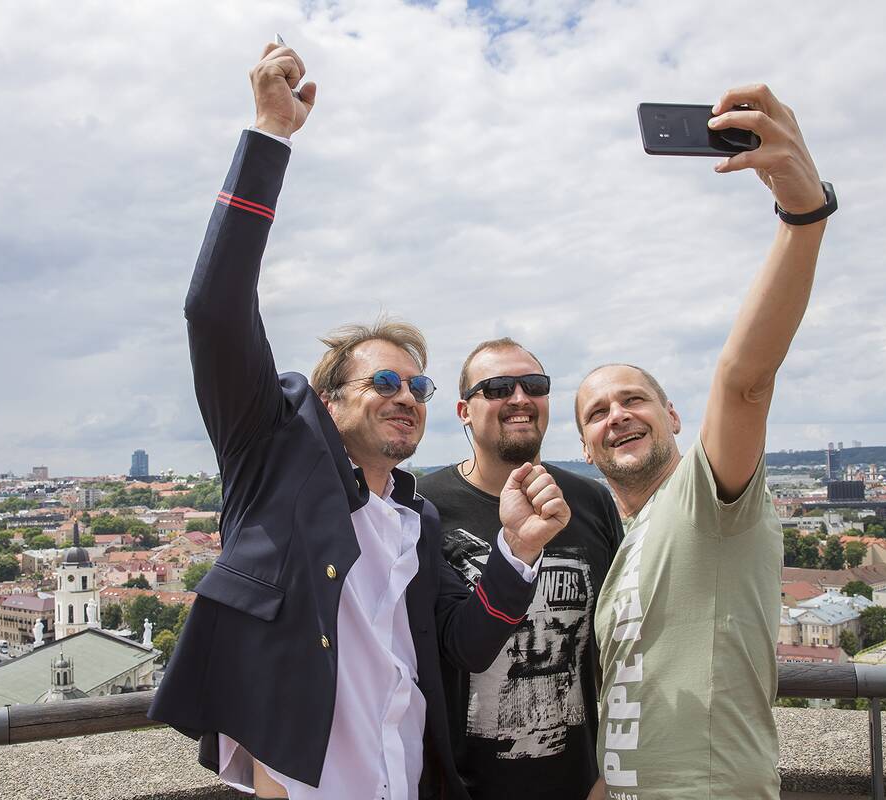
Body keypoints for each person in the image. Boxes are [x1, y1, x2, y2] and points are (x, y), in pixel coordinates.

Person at [146, 42, 573, 800]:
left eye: (418, 386)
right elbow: (213, 310)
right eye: (382, 381)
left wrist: (518, 551)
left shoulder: (419, 520)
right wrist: (269, 137)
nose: (406, 396)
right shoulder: (272, 462)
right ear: (330, 400)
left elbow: (465, 645)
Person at [579, 85, 835, 800]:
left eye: (634, 400)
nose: (617, 416)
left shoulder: (706, 499)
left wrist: (802, 217)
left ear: (673, 417)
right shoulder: (630, 541)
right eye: (597, 412)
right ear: (585, 445)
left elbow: (744, 382)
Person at [417, 339, 621, 800]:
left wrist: (609, 771)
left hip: (579, 785)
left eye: (534, 385)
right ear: (464, 411)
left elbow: (617, 644)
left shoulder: (590, 501)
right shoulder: (425, 510)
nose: (520, 398)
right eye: (497, 388)